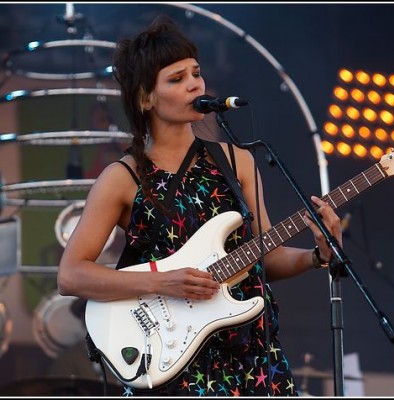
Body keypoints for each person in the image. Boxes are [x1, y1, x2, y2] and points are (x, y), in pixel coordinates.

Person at [57, 15, 343, 397]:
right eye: (176, 79)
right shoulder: (122, 177)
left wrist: (317, 255)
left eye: (196, 73)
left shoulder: (238, 160)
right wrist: (164, 282)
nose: (194, 84)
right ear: (145, 98)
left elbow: (264, 258)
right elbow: (71, 276)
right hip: (171, 362)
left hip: (253, 360)